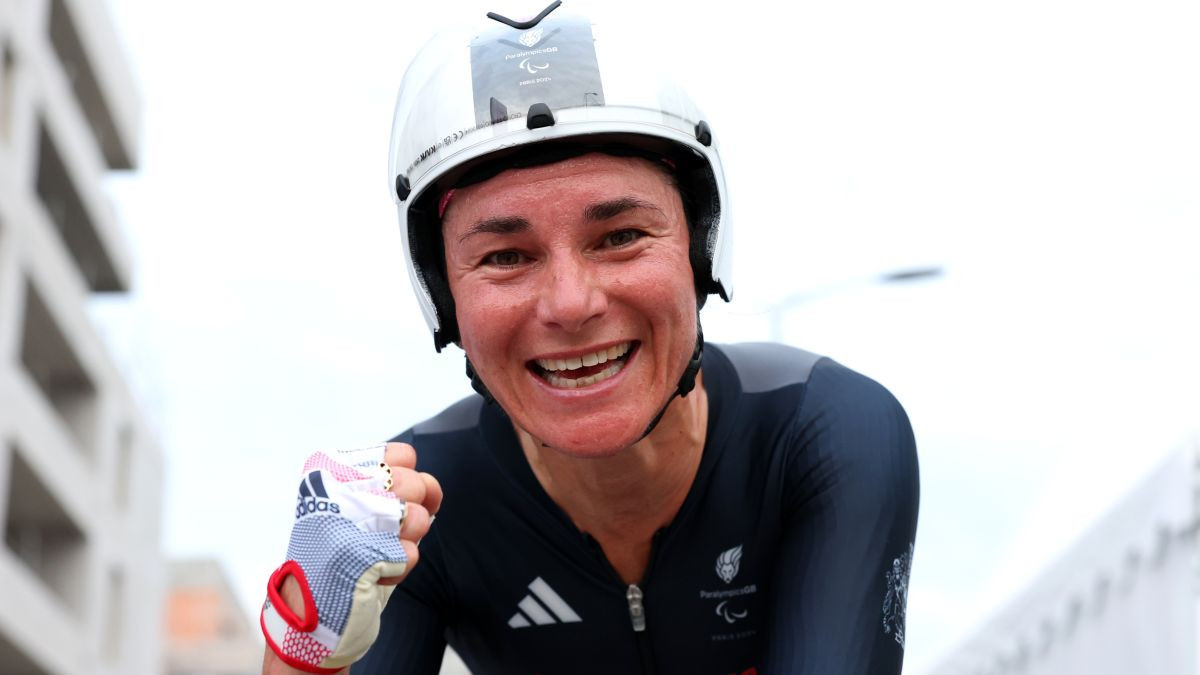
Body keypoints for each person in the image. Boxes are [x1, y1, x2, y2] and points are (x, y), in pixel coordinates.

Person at [261, 4, 919, 674]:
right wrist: (306, 644)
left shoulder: (827, 434)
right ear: (446, 298)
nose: (571, 304)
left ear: (698, 255)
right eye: (506, 257)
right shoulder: (420, 507)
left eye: (622, 236)